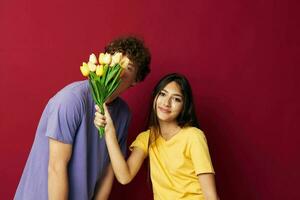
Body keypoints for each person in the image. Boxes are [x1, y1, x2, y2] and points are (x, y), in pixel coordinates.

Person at [14, 36, 151, 200]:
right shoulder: (71, 100)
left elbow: (108, 173)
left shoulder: (123, 114)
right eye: (115, 61)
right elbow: (57, 167)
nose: (118, 70)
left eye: (128, 67)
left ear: (135, 80)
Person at [94, 73, 219, 200]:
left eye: (176, 99)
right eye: (163, 94)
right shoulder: (147, 137)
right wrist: (109, 131)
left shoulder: (193, 136)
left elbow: (211, 196)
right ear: (155, 96)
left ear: (184, 106)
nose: (166, 103)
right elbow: (124, 176)